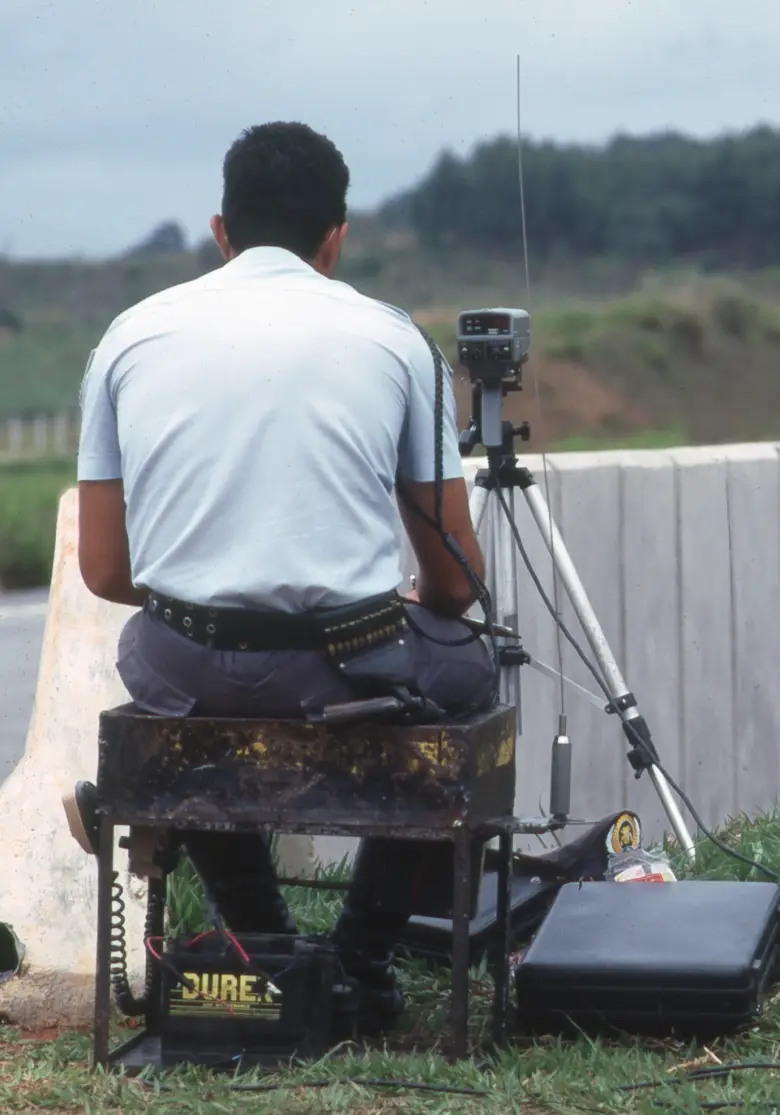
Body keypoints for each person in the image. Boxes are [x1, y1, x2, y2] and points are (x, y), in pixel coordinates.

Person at [73, 121, 497, 1035]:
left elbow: (106, 570)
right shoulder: (391, 340)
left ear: (222, 230)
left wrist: (217, 595)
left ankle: (265, 945)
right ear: (336, 237)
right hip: (347, 667)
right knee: (469, 672)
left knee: (162, 672)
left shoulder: (129, 335)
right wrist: (404, 611)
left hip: (183, 660)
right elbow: (457, 582)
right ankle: (361, 959)